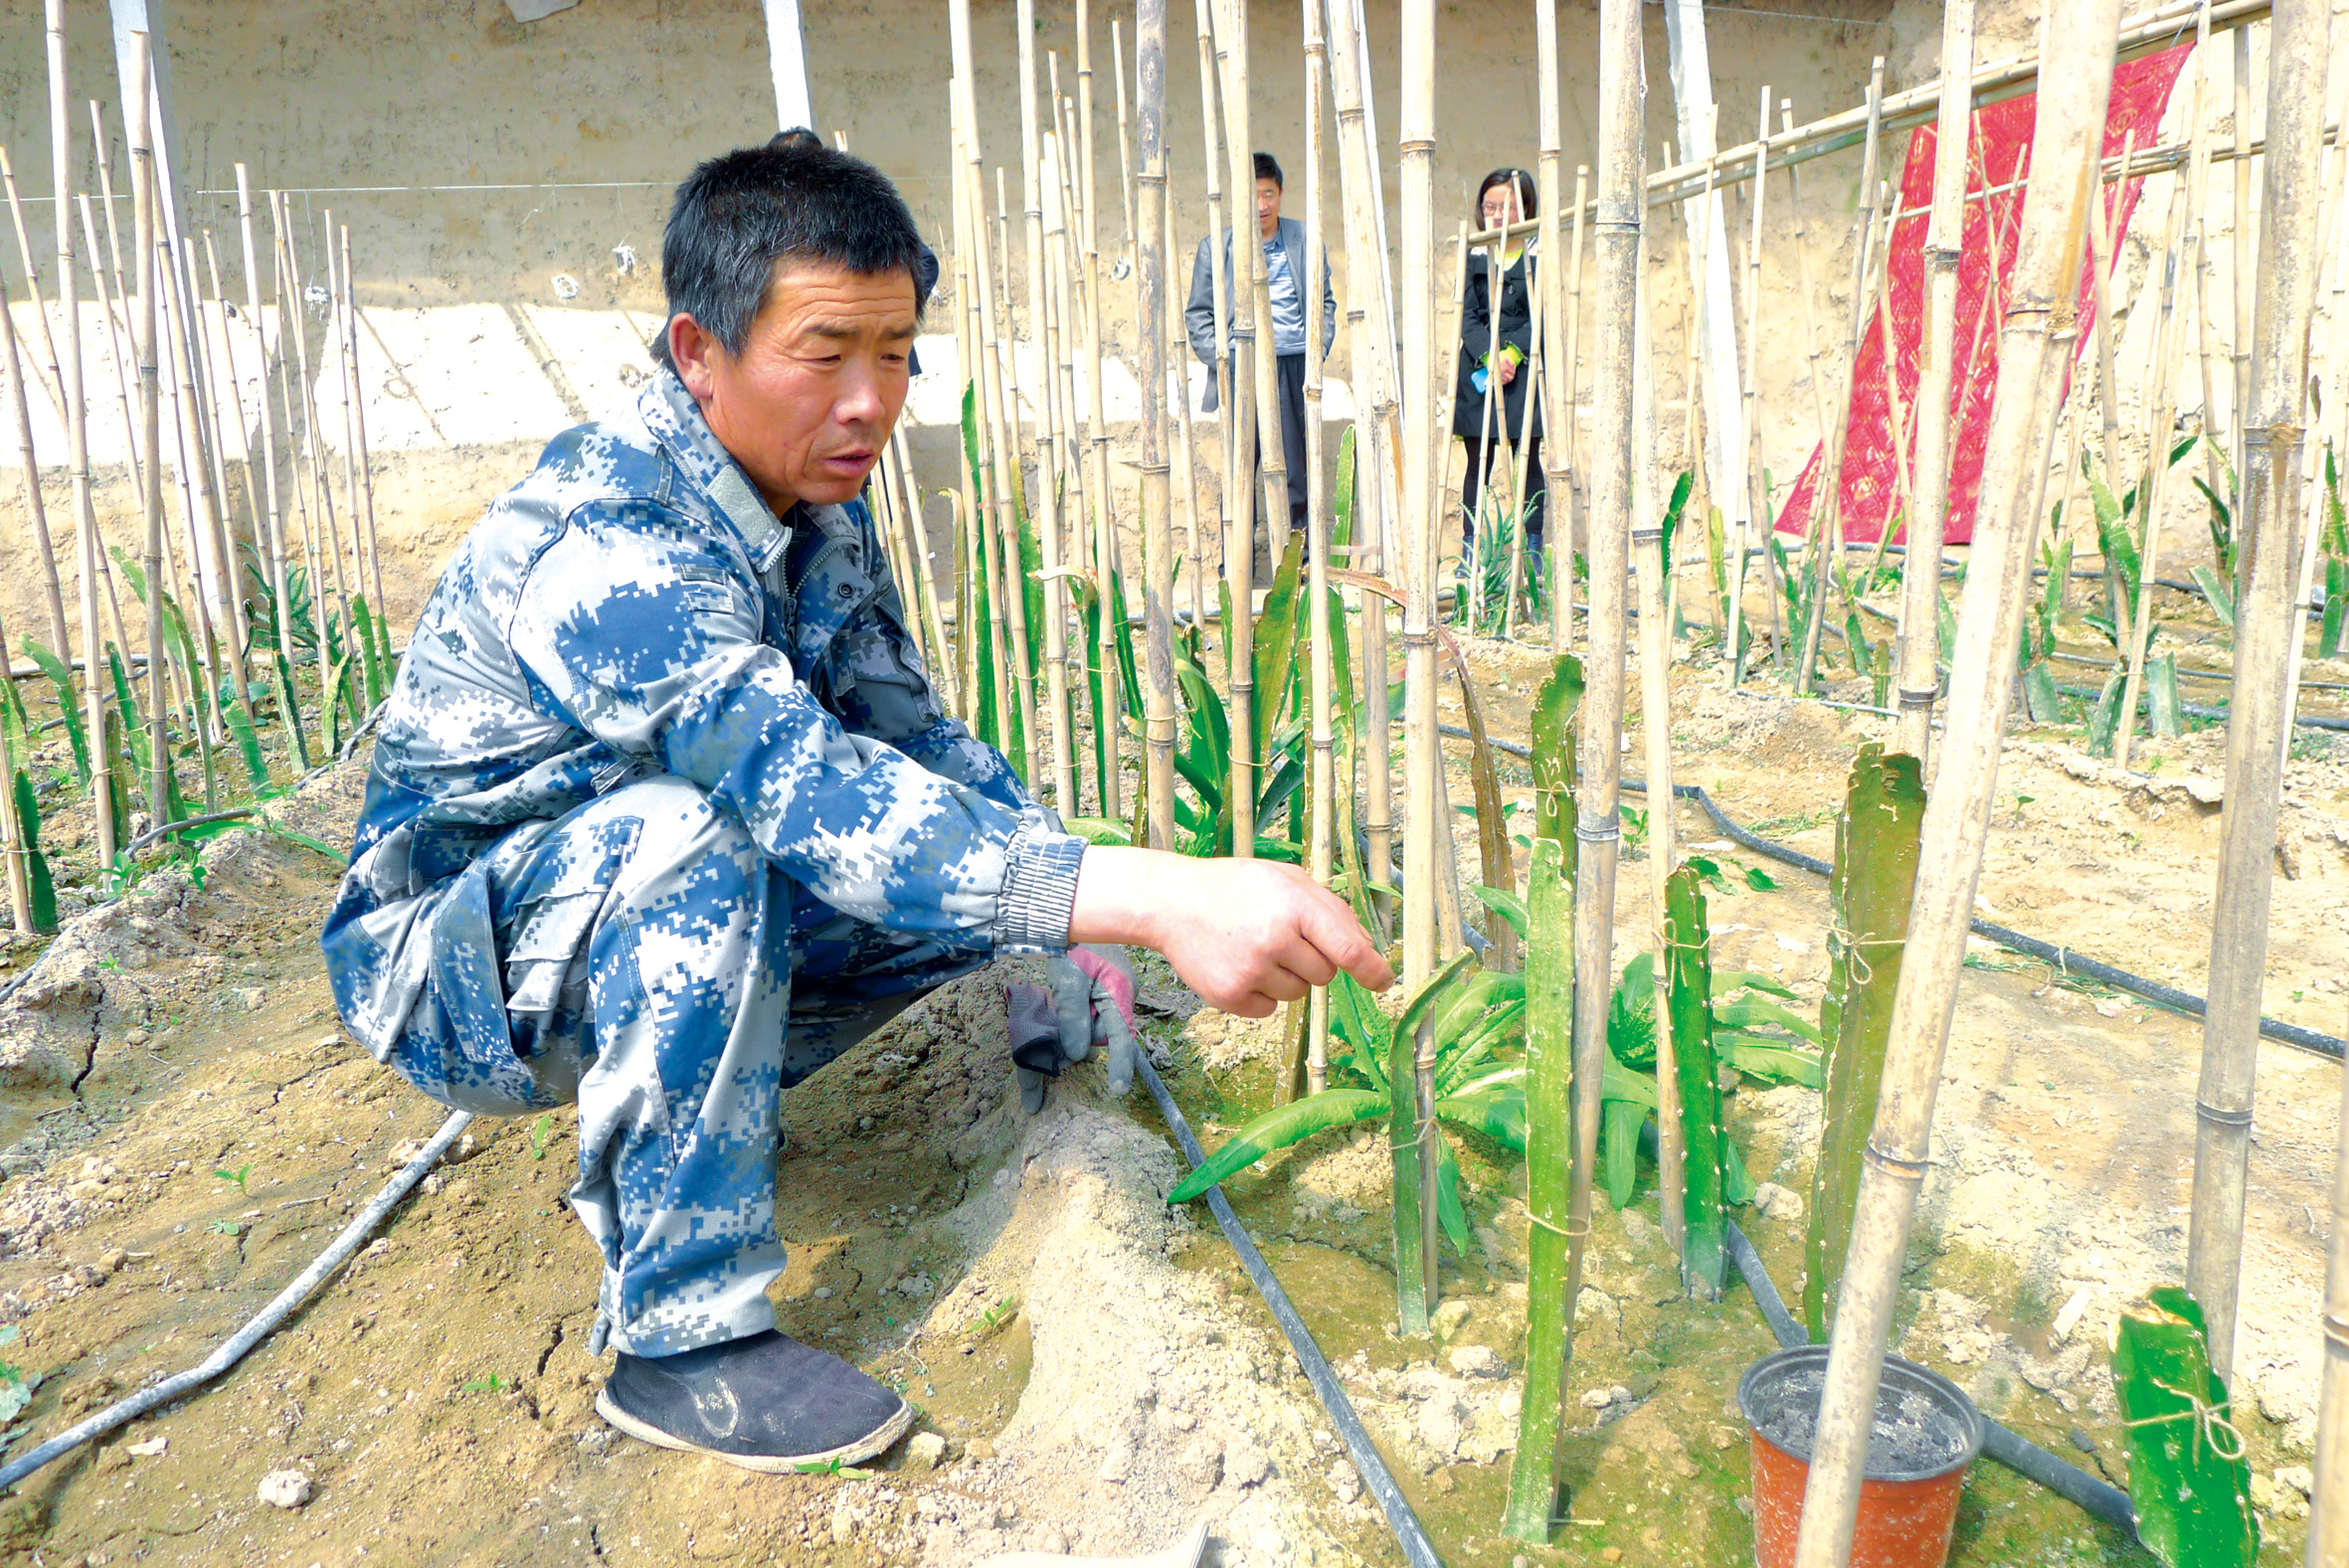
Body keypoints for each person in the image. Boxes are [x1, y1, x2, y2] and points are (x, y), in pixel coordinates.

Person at [321, 138, 1390, 1474]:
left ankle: (711, 1083)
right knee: (701, 836)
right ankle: (682, 1345)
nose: (870, 400)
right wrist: (1162, 892)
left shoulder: (809, 507)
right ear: (697, 351)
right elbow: (799, 782)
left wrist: (1070, 931)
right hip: (456, 969)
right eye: (824, 353)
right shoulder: (606, 541)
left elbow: (909, 741)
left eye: (897, 353)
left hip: (623, 908)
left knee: (964, 874)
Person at [1184, 151, 1337, 539]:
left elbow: (1325, 302)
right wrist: (1224, 360)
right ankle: (1236, 563)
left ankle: (1298, 558)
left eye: (1268, 194)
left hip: (1295, 363)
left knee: (1295, 467)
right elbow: (1199, 314)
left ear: (1280, 193)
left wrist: (1316, 351)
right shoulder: (1217, 247)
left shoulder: (1304, 238)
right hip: (1242, 367)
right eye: (1253, 195)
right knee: (1239, 467)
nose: (1261, 205)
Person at [1454, 167, 1544, 580]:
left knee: (1528, 459)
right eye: (1488, 206)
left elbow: (1541, 313)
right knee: (1478, 460)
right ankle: (1470, 550)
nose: (1494, 215)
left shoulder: (1539, 254)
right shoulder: (1473, 253)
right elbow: (1467, 318)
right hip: (1479, 363)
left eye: (1504, 206)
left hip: (1525, 364)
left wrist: (1512, 352)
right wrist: (1491, 356)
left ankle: (1533, 550)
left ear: (1525, 207)